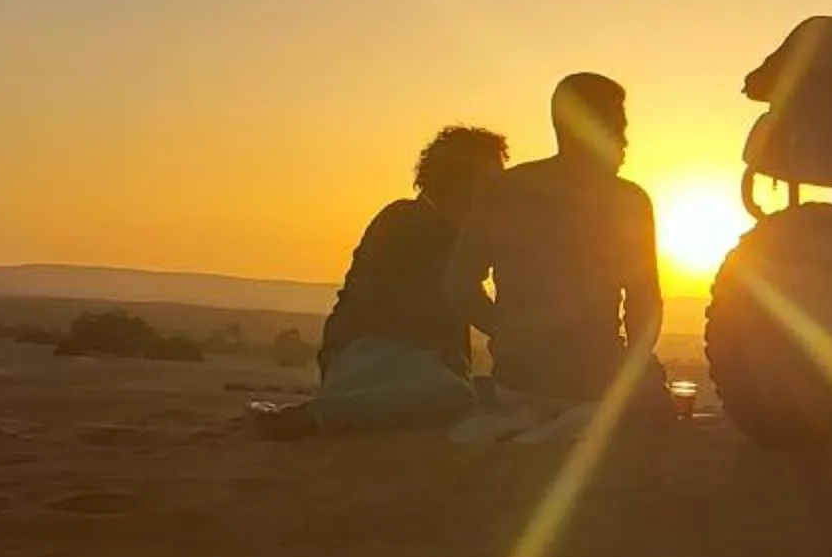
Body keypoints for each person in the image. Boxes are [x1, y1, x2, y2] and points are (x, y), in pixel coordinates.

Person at [254, 124, 507, 438]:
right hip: (366, 355)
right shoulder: (404, 221)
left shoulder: (458, 232)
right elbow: (450, 299)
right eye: (491, 176)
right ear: (459, 179)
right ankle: (316, 417)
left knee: (495, 395)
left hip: (415, 366)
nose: (500, 186)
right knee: (457, 396)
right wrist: (507, 330)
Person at [452, 73, 670, 433]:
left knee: (533, 406)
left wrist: (506, 332)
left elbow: (458, 284)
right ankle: (566, 426)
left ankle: (533, 422)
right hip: (594, 381)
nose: (626, 140)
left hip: (517, 381)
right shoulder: (628, 201)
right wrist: (638, 364)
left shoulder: (505, 189)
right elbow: (644, 302)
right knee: (654, 409)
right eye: (620, 126)